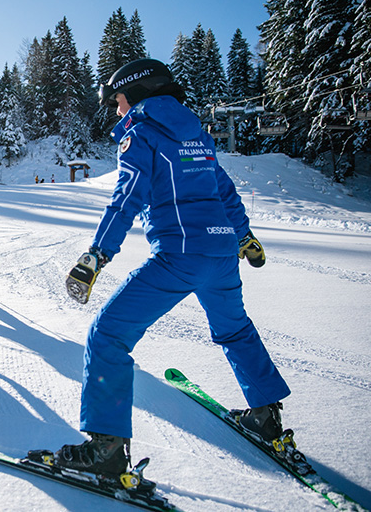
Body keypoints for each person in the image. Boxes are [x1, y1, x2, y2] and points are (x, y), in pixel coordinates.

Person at [53, 58, 291, 477]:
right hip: (220, 255)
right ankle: (265, 416)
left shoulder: (142, 133)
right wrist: (244, 237)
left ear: (137, 93)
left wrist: (97, 256)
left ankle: (106, 451)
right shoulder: (197, 134)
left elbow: (126, 198)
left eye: (118, 101)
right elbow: (223, 189)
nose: (117, 110)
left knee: (107, 335)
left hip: (179, 256)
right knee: (235, 329)